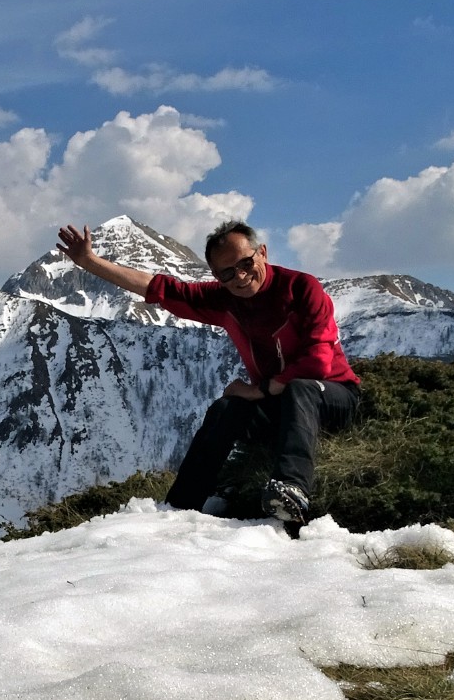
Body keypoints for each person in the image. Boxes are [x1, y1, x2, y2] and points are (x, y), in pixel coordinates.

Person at [55, 220, 361, 525]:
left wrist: (260, 390)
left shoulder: (300, 288)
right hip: (282, 408)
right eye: (227, 272)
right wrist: (89, 262)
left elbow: (318, 362)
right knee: (226, 409)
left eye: (245, 263)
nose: (240, 276)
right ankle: (179, 506)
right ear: (217, 276)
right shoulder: (224, 300)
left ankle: (291, 491)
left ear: (263, 253)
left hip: (333, 399)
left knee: (300, 388)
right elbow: (160, 289)